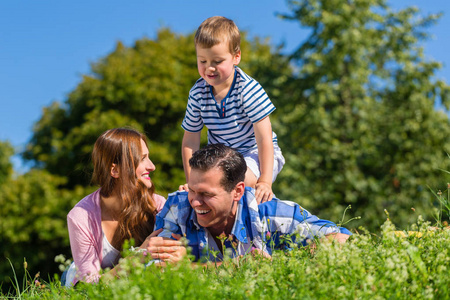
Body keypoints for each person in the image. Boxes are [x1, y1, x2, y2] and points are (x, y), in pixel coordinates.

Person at [153, 144, 351, 263]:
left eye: (206, 194)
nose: (195, 201)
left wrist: (279, 263)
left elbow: (342, 240)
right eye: (192, 189)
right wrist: (233, 267)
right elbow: (153, 269)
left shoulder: (272, 212)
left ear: (238, 191)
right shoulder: (178, 208)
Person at [181, 16, 285, 204]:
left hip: (255, 152)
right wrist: (192, 183)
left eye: (217, 61)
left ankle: (265, 209)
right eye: (202, 61)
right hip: (222, 158)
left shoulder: (248, 90)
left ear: (236, 57)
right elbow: (190, 141)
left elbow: (264, 138)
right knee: (211, 188)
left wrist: (265, 181)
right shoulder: (198, 93)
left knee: (238, 183)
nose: (209, 68)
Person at [64, 128, 183, 286]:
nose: (152, 166)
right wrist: (140, 255)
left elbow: (173, 259)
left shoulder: (158, 205)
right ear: (115, 170)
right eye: (142, 159)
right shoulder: (81, 216)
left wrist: (187, 202)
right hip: (97, 285)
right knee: (73, 271)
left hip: (135, 284)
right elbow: (87, 288)